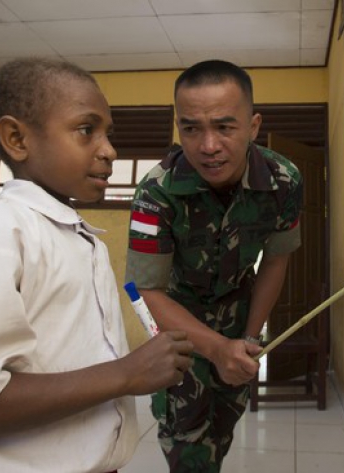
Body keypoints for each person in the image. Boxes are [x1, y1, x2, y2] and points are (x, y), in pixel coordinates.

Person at [0, 58, 194, 472]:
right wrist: (126, 374)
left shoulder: (78, 239)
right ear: (17, 138)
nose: (109, 150)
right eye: (86, 130)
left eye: (108, 133)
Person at [125, 59, 304, 472]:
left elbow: (276, 260)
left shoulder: (284, 180)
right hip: (174, 323)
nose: (208, 145)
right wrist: (216, 348)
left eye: (225, 127)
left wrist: (246, 336)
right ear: (178, 128)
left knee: (222, 428)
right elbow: (143, 290)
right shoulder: (156, 191)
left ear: (253, 126)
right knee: (185, 441)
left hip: (239, 311)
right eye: (191, 128)